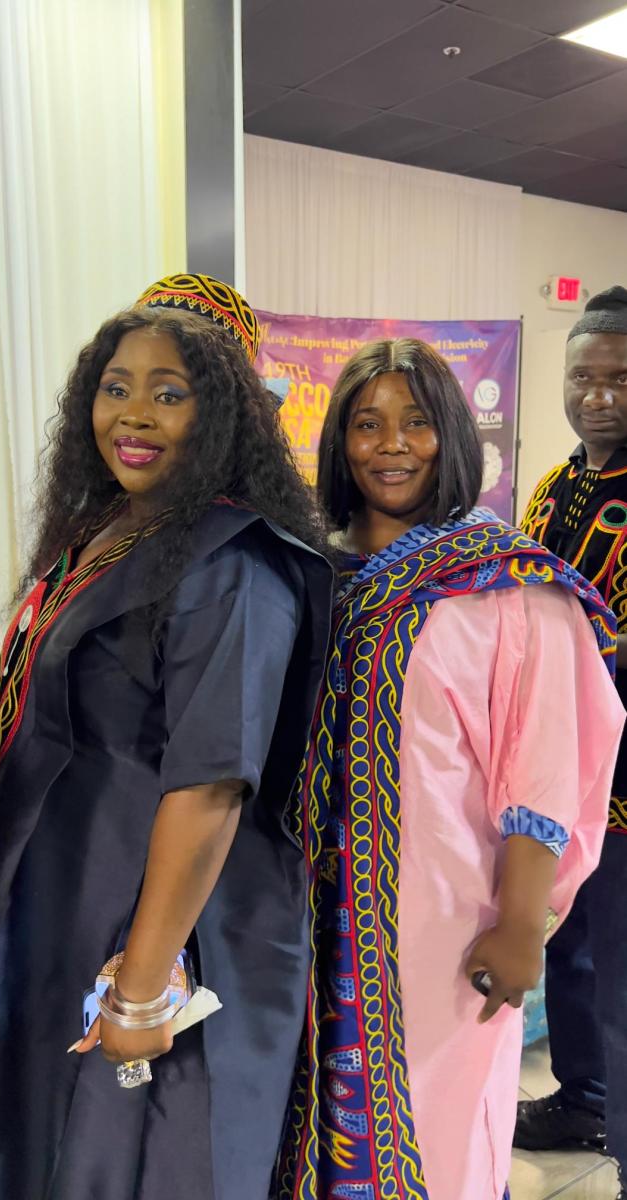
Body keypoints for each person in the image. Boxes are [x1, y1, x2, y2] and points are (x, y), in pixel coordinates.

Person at [0, 274, 333, 1200]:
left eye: (170, 393)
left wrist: (139, 987)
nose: (134, 414)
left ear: (224, 414)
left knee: (132, 1159)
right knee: (35, 1139)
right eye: (116, 387)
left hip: (163, 923)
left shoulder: (233, 564)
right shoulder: (111, 533)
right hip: (63, 891)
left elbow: (210, 785)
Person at [272, 338, 624, 1200]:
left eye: (417, 422)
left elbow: (545, 762)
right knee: (303, 1129)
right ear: (339, 440)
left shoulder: (506, 584)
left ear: (454, 435)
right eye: (366, 423)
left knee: (438, 1133)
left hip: (442, 921)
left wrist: (521, 924)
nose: (391, 444)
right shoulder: (306, 569)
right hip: (296, 912)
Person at [515, 286, 627, 1197]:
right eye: (582, 377)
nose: (597, 396)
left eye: (619, 378)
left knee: (618, 971)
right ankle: (582, 1096)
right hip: (561, 771)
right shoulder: (554, 486)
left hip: (624, 775)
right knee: (569, 947)